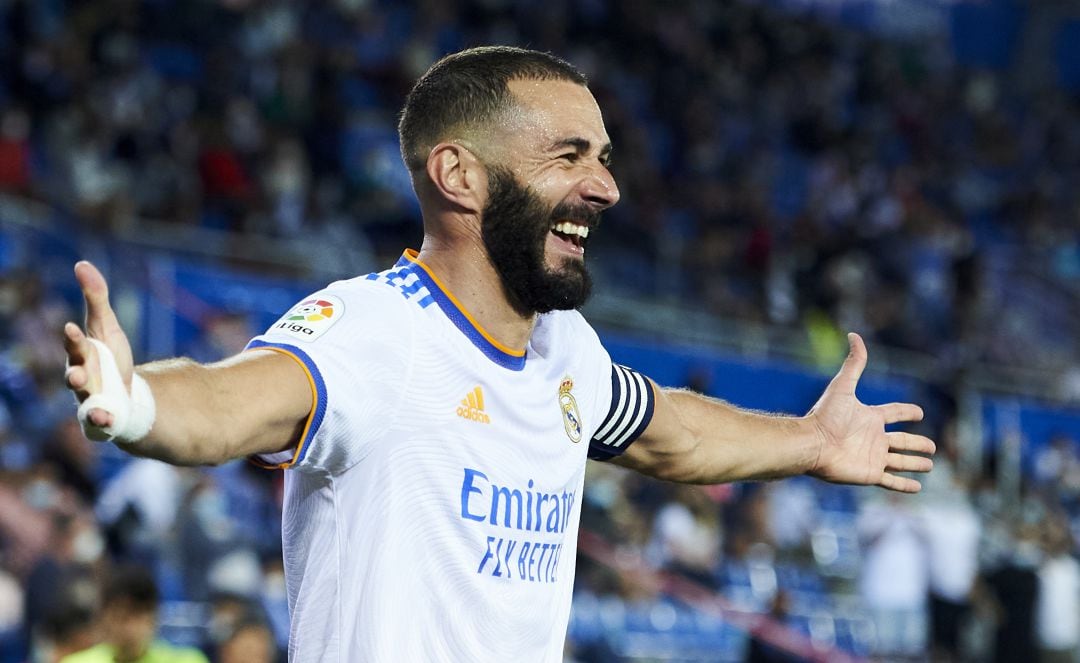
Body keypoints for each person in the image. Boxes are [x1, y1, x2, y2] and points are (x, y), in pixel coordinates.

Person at [62, 46, 935, 661]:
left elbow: (674, 434)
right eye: (570, 156)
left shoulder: (564, 348)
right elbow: (225, 402)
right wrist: (136, 400)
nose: (607, 186)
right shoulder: (376, 330)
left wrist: (814, 444)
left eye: (603, 157)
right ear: (460, 175)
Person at [60, 564, 208, 663]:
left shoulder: (188, 660)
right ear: (103, 618)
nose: (126, 628)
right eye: (119, 617)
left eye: (135, 616)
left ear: (152, 617)